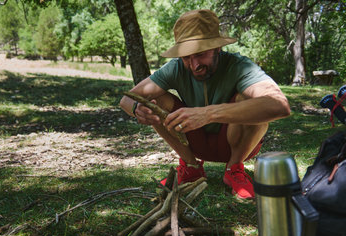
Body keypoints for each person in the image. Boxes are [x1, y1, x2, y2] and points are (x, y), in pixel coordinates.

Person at [119, 9, 291, 199]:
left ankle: (234, 169)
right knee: (155, 100)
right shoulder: (175, 68)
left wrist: (208, 114)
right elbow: (128, 98)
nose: (194, 65)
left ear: (217, 47)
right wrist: (136, 110)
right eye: (186, 57)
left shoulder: (240, 66)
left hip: (235, 143)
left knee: (252, 101)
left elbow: (279, 105)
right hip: (194, 143)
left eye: (200, 54)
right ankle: (191, 168)